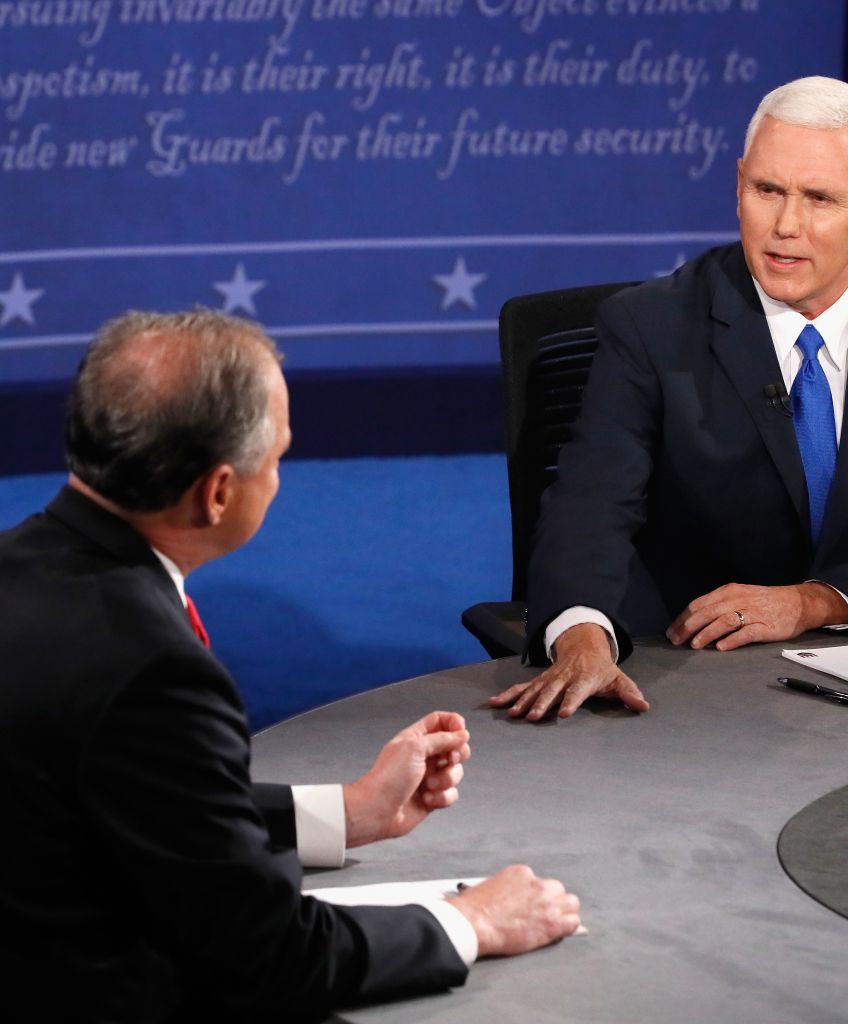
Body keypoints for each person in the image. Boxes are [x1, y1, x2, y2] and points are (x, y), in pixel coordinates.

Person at [0, 309, 581, 1021]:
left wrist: (348, 811)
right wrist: (473, 922)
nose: (277, 478)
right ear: (217, 492)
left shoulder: (19, 566)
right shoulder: (152, 667)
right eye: (275, 458)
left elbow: (141, 797)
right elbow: (268, 957)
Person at [491, 75, 848, 722]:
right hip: (699, 681)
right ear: (738, 183)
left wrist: (818, 600)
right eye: (766, 190)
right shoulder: (651, 328)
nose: (785, 226)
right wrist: (581, 636)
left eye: (819, 199)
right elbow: (590, 502)